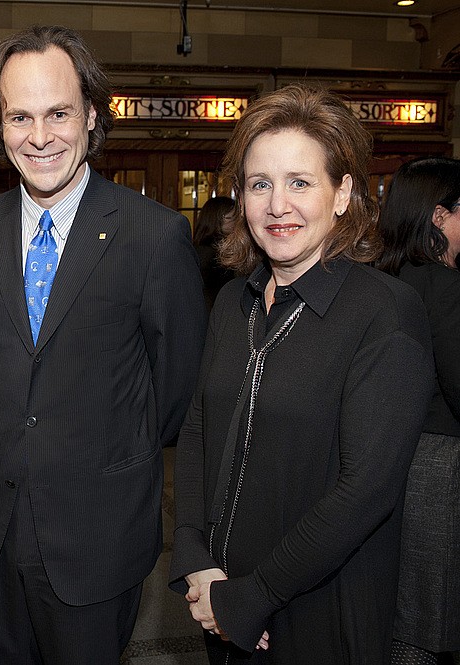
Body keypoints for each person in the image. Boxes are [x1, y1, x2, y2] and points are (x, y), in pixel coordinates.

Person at [0, 25, 206, 664]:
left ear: (91, 115)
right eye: (20, 117)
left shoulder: (153, 236)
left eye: (58, 113)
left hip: (97, 533)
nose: (40, 137)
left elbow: (174, 388)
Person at [169, 84, 436, 663]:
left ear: (342, 195)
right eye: (260, 184)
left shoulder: (384, 312)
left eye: (300, 183)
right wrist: (194, 555)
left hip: (319, 610)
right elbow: (196, 431)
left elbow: (366, 491)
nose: (277, 205)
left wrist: (255, 596)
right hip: (220, 600)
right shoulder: (234, 302)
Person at [375, 156, 460, 665]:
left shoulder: (388, 278)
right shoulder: (444, 287)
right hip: (438, 470)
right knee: (427, 622)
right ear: (439, 216)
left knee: (405, 613)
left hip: (396, 463)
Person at [193, 195, 236, 311]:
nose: (237, 222)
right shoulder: (213, 254)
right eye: (231, 218)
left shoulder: (198, 248)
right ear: (217, 220)